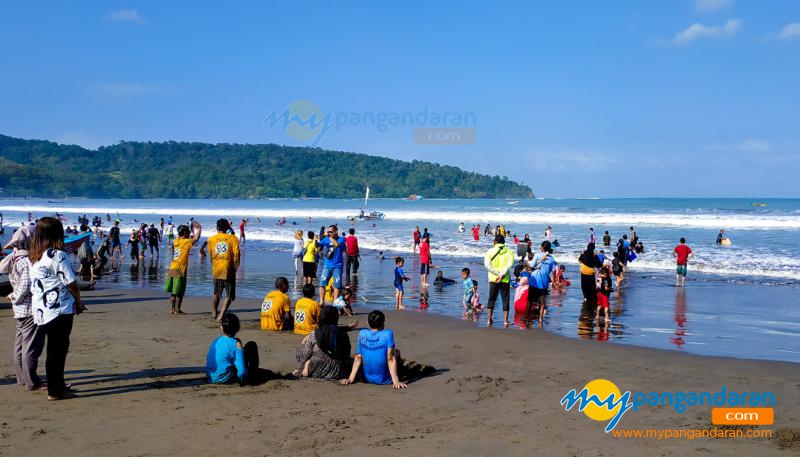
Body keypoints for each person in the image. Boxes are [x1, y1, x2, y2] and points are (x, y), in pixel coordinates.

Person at [29, 217, 86, 400]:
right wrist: (78, 301)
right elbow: (71, 282)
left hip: (41, 309)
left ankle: (57, 385)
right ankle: (56, 390)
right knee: (58, 350)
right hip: (59, 309)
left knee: (53, 350)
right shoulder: (57, 255)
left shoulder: (34, 255)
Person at [4, 225, 46, 391]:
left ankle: (22, 378)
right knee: (31, 346)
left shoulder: (14, 257)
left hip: (20, 308)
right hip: (29, 308)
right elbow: (27, 284)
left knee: (20, 344)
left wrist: (14, 297)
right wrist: (14, 296)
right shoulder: (27, 260)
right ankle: (32, 381)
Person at [340, 310, 407, 389]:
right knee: (396, 352)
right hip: (384, 380)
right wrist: (396, 382)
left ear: (368, 323)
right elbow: (390, 359)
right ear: (383, 323)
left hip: (366, 378)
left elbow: (358, 357)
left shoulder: (362, 333)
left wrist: (350, 379)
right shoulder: (388, 334)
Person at [294, 307, 353, 380]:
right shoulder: (343, 333)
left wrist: (303, 343)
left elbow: (306, 353)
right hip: (337, 370)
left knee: (302, 348)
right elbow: (346, 353)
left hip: (315, 369)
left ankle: (304, 368)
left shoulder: (315, 333)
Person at [205, 314, 259, 386]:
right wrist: (243, 380)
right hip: (225, 378)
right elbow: (242, 372)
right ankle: (254, 374)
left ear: (222, 327)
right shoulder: (236, 344)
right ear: (238, 328)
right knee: (251, 345)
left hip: (211, 376)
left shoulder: (216, 340)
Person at [165, 222, 202, 315]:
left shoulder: (176, 241)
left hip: (172, 267)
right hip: (180, 269)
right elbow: (196, 238)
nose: (189, 233)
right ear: (184, 233)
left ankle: (171, 309)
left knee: (173, 292)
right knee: (180, 292)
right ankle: (178, 310)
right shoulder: (186, 242)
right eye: (188, 232)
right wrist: (199, 228)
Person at [208, 218, 241, 320]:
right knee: (229, 295)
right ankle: (221, 315)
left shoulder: (211, 239)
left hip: (217, 269)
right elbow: (237, 255)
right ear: (227, 227)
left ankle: (214, 312)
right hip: (228, 269)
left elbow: (211, 254)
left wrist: (214, 265)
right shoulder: (233, 238)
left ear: (217, 227)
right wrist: (235, 268)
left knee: (216, 292)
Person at [483, 234, 515, 326]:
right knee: (505, 299)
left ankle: (489, 319)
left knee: (492, 298)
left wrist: (497, 273)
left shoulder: (490, 251)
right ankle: (505, 320)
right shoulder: (509, 252)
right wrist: (502, 274)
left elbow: (487, 266)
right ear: (504, 242)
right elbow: (509, 266)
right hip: (504, 279)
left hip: (493, 279)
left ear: (495, 241)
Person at [527, 241, 557, 324]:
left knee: (530, 301)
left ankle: (528, 318)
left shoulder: (537, 255)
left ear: (542, 247)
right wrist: (553, 282)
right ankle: (540, 319)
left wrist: (528, 263)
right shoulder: (551, 259)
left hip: (534, 281)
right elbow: (553, 271)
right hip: (544, 283)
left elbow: (532, 265)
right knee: (542, 303)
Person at [316, 225, 345, 305]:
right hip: (327, 265)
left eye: (331, 232)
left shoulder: (341, 240)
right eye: (328, 231)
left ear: (336, 231)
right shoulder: (326, 239)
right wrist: (316, 240)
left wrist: (329, 237)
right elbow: (318, 244)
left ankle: (335, 302)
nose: (329, 233)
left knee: (337, 285)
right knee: (322, 283)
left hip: (337, 266)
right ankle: (321, 301)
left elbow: (336, 245)